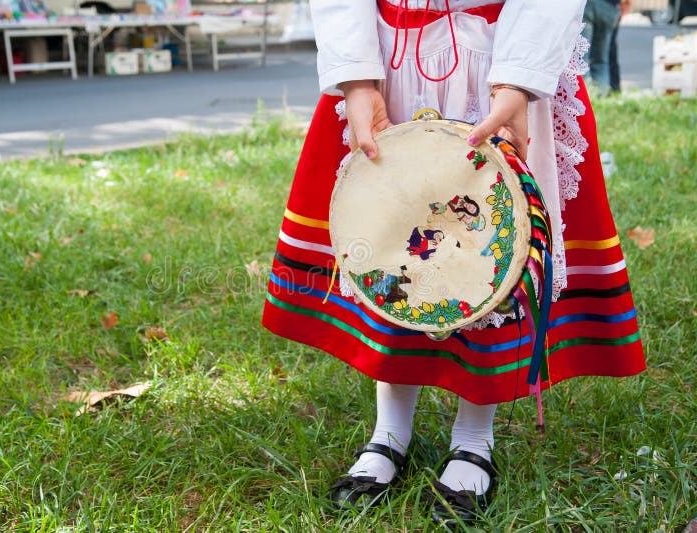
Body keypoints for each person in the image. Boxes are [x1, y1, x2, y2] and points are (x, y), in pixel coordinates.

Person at [262, 0, 646, 524]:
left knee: (484, 247)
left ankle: (473, 436)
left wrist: (516, 81)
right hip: (388, 68)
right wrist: (356, 78)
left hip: (499, 64)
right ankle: (389, 431)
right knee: (392, 243)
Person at [583, 0, 622, 95]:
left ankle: (583, 99)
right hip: (609, 6)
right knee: (600, 61)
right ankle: (600, 98)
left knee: (581, 58)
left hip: (586, 4)